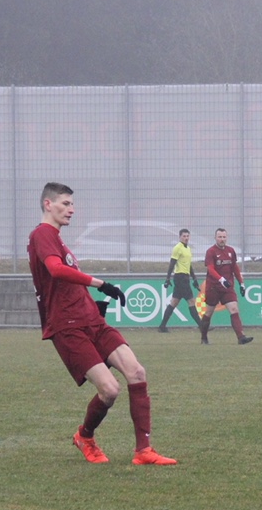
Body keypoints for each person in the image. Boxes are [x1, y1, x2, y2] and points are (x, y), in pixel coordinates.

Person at [27, 182, 177, 466]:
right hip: (68, 327)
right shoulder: (42, 234)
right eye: (65, 203)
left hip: (91, 320)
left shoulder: (57, 238)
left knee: (136, 372)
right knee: (109, 390)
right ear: (48, 204)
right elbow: (56, 270)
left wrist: (90, 302)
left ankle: (144, 451)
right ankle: (85, 436)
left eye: (72, 204)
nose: (72, 209)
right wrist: (100, 284)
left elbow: (65, 281)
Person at [197, 227, 253, 345]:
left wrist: (241, 283)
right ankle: (203, 338)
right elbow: (211, 269)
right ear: (215, 238)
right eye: (220, 237)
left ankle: (241, 337)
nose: (222, 239)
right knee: (209, 312)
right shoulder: (211, 251)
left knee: (234, 309)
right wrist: (221, 279)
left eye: (224, 237)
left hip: (227, 287)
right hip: (213, 287)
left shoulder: (230, 251)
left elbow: (234, 268)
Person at [158, 228, 202, 333]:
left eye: (187, 236)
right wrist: (167, 278)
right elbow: (172, 263)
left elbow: (188, 265)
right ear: (180, 237)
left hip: (185, 277)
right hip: (180, 277)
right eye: (184, 236)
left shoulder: (188, 248)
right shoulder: (177, 248)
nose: (186, 238)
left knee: (174, 302)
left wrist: (194, 278)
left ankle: (162, 326)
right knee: (191, 301)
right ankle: (202, 326)